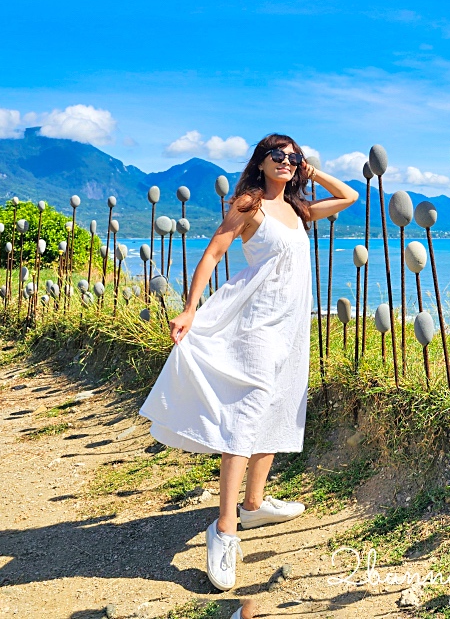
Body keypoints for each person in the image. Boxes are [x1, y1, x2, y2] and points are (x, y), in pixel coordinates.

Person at [138, 133, 357, 592]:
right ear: (260, 162)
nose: (286, 162)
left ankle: (254, 504)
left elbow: (350, 195)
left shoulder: (299, 211)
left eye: (293, 157)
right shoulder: (248, 204)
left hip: (292, 327)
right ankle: (224, 529)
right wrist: (190, 307)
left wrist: (310, 171)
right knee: (245, 417)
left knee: (279, 407)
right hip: (255, 324)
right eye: (278, 155)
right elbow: (213, 253)